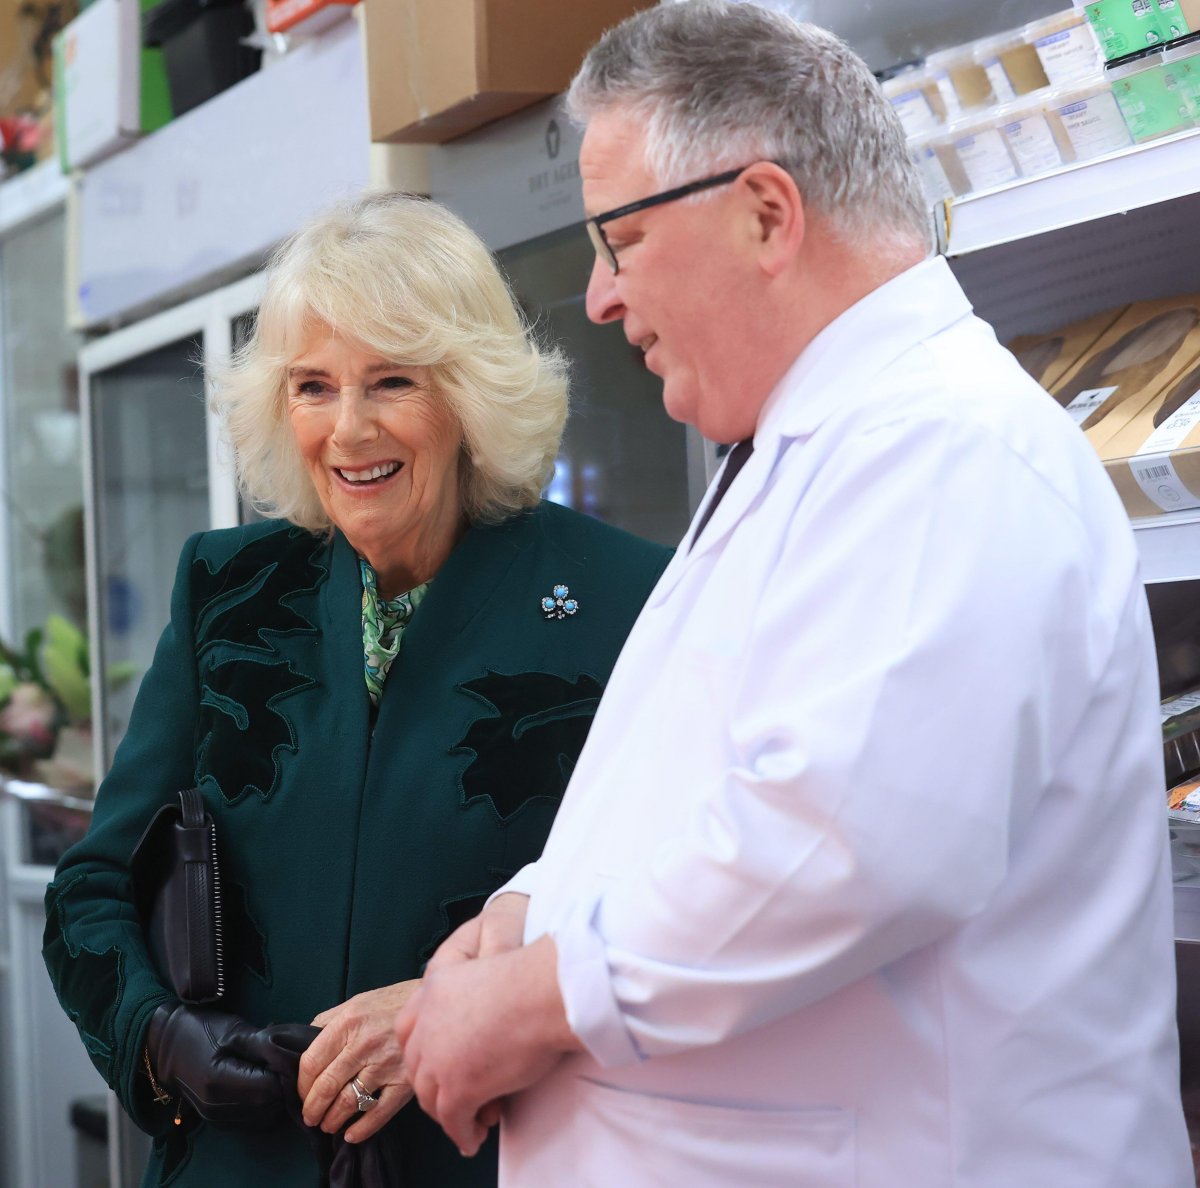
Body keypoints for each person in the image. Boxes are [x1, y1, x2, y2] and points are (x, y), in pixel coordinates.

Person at [395, 4, 1195, 1185]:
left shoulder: (941, 449)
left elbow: (844, 845)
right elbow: (713, 781)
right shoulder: (814, 450)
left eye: (618, 243)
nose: (603, 298)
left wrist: (524, 1002)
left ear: (765, 213)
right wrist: (533, 904)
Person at [42, 192, 671, 1188]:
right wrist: (163, 1041)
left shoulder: (627, 598)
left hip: (496, 1158)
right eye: (312, 387)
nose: (349, 429)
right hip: (241, 1162)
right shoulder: (230, 592)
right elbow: (92, 889)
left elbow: (674, 903)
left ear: (468, 393)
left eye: (391, 381)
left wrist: (440, 1014)